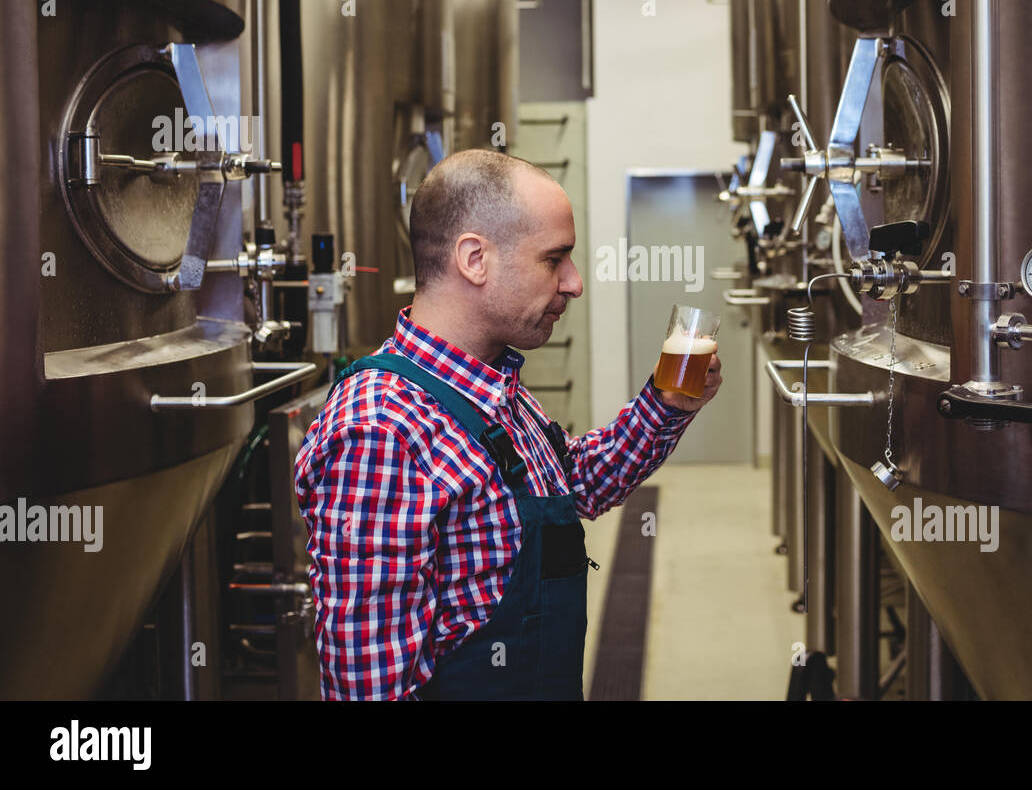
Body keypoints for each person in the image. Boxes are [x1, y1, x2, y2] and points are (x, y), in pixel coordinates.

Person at [294, 149, 721, 700]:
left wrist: (668, 405)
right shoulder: (383, 430)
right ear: (475, 259)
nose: (574, 283)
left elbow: (578, 482)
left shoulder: (490, 388)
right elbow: (368, 688)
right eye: (554, 259)